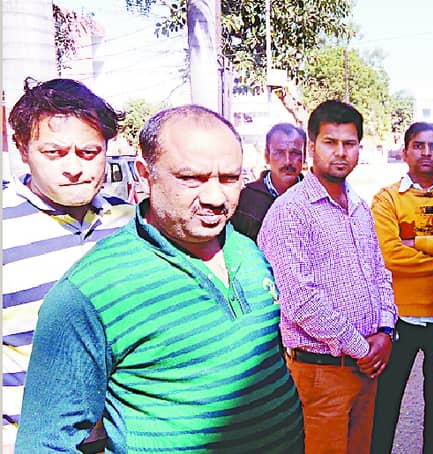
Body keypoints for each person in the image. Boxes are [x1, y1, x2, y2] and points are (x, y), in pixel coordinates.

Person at [16, 105, 304, 453]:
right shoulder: (88, 292)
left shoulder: (247, 251)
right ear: (144, 174)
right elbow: (45, 443)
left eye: (230, 178)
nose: (216, 198)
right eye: (191, 178)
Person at [258, 100, 397, 454]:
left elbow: (380, 273)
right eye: (330, 142)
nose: (340, 152)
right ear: (312, 148)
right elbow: (299, 300)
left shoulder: (360, 206)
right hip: (321, 373)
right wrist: (363, 348)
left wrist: (385, 331)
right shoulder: (290, 211)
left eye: (349, 143)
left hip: (365, 370)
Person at [2, 77, 134, 452]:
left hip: (122, 440)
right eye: (55, 153)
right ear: (22, 149)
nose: (74, 167)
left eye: (89, 152)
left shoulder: (130, 224)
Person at [370, 122, 433, 454]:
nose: (426, 152)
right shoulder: (387, 199)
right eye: (418, 145)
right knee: (384, 409)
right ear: (405, 151)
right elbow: (389, 255)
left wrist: (417, 241)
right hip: (399, 320)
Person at [231, 122, 306, 241]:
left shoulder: (314, 199)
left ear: (304, 157)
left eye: (295, 153)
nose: (287, 161)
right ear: (267, 156)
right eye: (279, 153)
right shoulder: (246, 201)